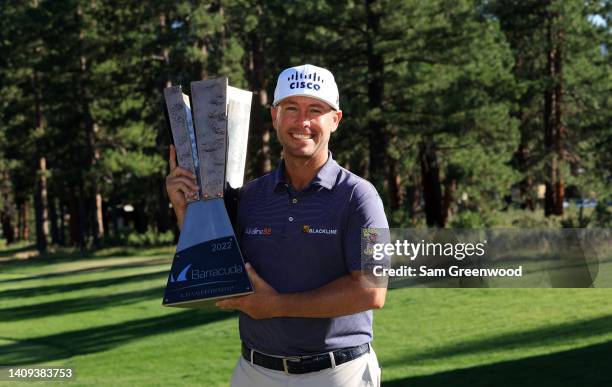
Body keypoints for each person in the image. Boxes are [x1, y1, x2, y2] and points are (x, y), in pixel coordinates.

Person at [166, 64, 388, 387]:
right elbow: (215, 268)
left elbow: (373, 290)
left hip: (339, 374)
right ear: (274, 117)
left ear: (335, 120)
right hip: (255, 372)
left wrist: (277, 306)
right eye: (291, 109)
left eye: (315, 110)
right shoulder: (249, 197)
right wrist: (184, 209)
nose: (303, 122)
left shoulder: (362, 197)